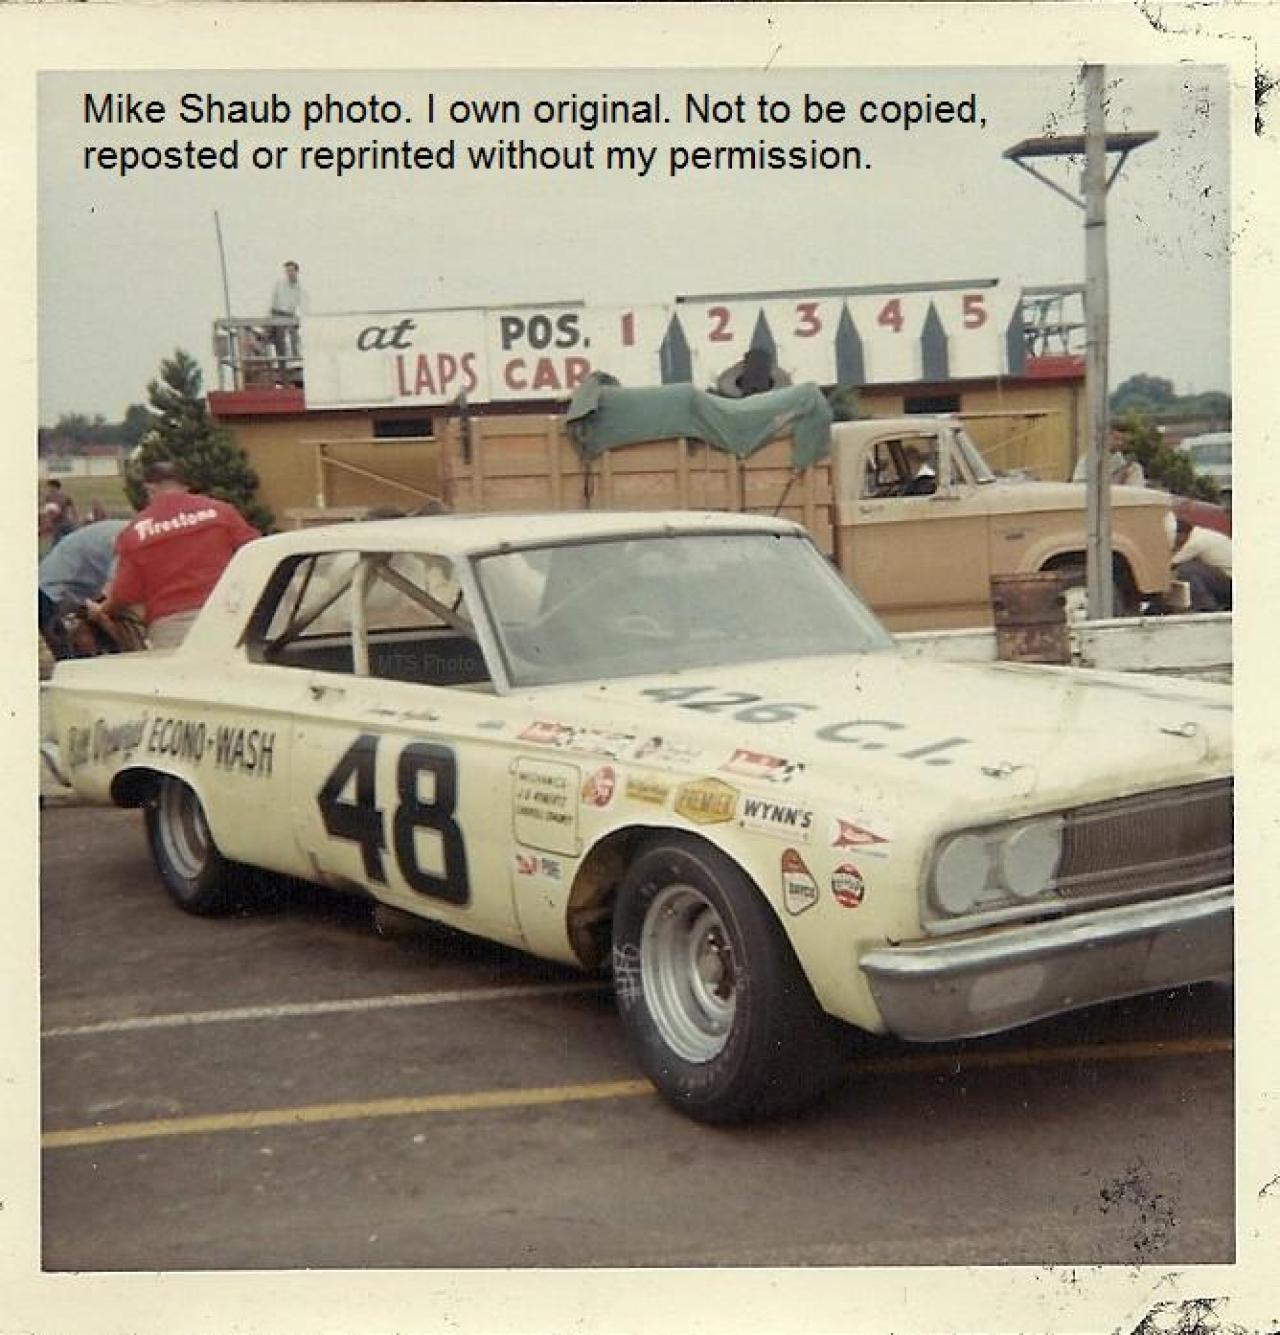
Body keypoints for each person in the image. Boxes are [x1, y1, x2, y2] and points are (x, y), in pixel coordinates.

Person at [88, 460, 260, 649]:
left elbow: (126, 593)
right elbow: (255, 553)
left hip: (172, 626)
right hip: (229, 614)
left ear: (150, 489)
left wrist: (103, 609)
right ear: (185, 486)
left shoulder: (135, 532)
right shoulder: (221, 512)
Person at [38, 517, 129, 659]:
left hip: (70, 586)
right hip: (54, 592)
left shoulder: (132, 531)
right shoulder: (130, 540)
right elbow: (114, 593)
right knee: (67, 659)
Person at [1172, 517, 1232, 612]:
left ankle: (1206, 607)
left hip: (1229, 582)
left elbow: (1172, 564)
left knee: (1185, 569)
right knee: (1192, 567)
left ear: (1181, 534)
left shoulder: (1195, 542)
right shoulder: (1202, 534)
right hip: (1227, 579)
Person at [267, 259, 306, 376]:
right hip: (278, 315)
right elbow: (272, 301)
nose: (289, 273)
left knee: (294, 339)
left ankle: (294, 365)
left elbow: (302, 304)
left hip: (290, 316)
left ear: (296, 271)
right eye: (287, 271)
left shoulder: (299, 287)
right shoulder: (279, 284)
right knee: (280, 344)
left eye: (291, 271)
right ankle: (282, 369)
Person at [1072, 428, 1145, 488]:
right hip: (1093, 493)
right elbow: (1080, 485)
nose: (1120, 443)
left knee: (1135, 467)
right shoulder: (1089, 458)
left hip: (1115, 492)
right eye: (1116, 439)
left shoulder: (1119, 458)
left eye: (1123, 440)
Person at [41, 478, 79, 544]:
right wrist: (47, 521)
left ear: (55, 487)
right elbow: (46, 510)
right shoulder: (48, 497)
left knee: (72, 539)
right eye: (49, 487)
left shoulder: (65, 496)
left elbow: (73, 507)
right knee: (57, 542)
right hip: (56, 524)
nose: (49, 489)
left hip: (65, 522)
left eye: (51, 487)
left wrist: (75, 518)